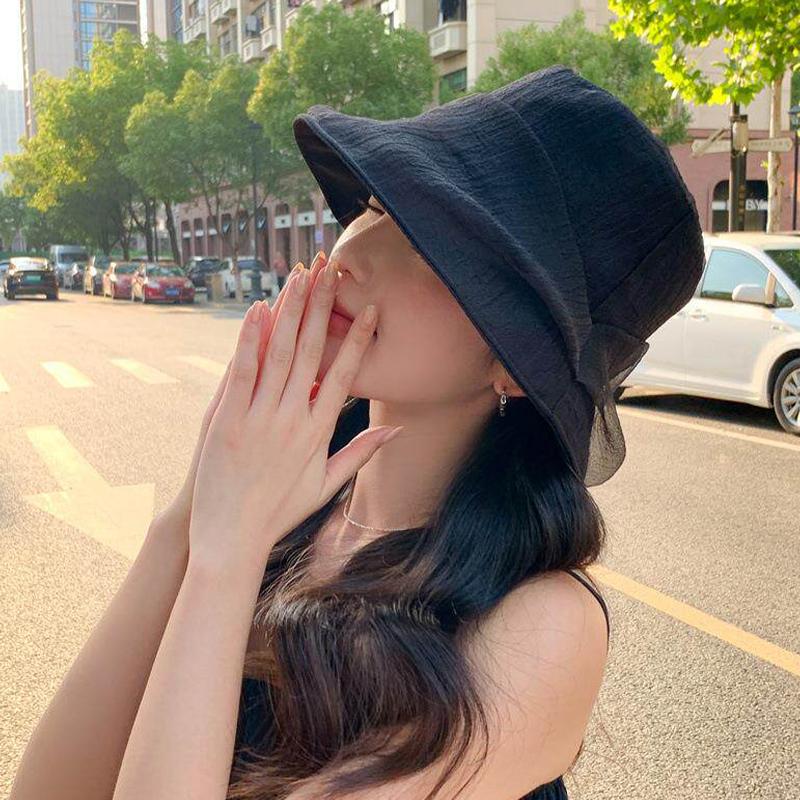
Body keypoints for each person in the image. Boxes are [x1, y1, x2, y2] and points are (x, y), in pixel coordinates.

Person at [10, 66, 704, 800]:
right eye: (374, 206)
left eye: (431, 245)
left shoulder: (540, 623)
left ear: (517, 360)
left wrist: (226, 555)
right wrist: (194, 510)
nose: (351, 254)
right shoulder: (282, 510)